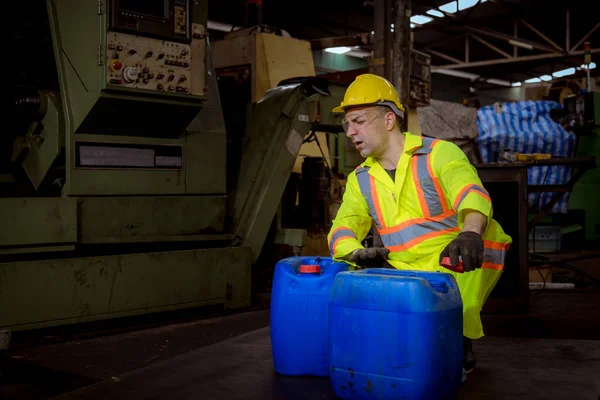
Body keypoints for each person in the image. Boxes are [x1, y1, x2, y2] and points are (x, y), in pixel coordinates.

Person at [327, 73, 512, 374]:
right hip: (405, 269)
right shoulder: (360, 179)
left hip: (456, 260)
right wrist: (353, 252)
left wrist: (469, 232)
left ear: (389, 120)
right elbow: (345, 225)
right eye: (346, 124)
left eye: (358, 121)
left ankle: (459, 338)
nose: (350, 131)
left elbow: (470, 192)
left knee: (445, 330)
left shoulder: (438, 154)